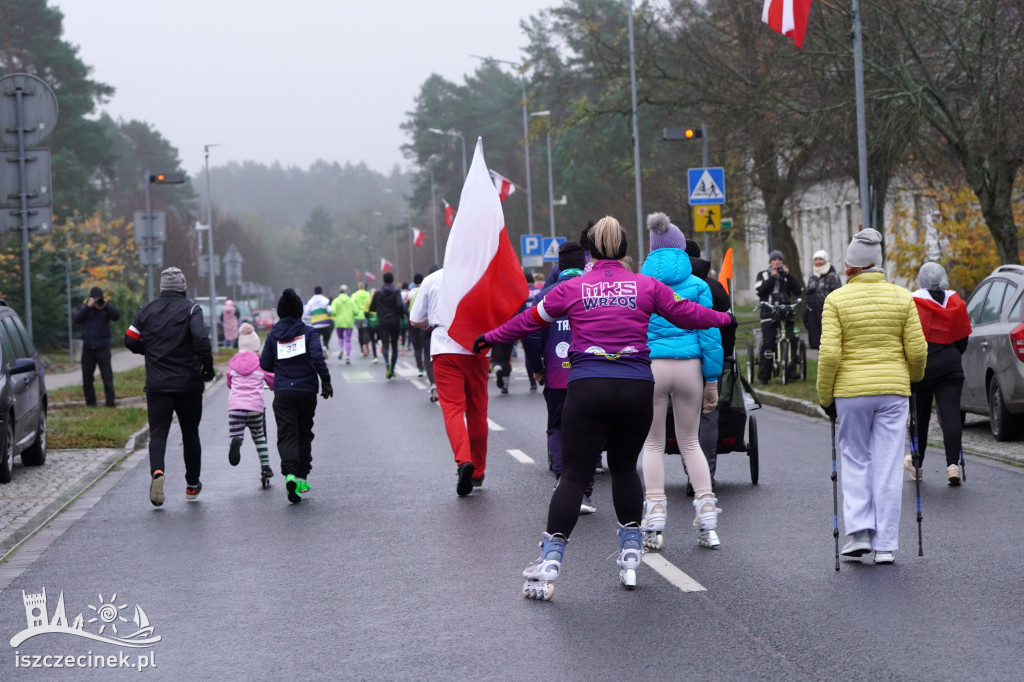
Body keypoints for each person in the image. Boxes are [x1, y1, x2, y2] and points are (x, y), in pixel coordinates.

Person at [474, 216, 731, 599]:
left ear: (591, 251)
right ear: (626, 250)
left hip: (588, 387)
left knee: (575, 476)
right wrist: (725, 317)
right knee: (625, 468)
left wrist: (487, 338)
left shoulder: (572, 288)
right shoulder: (647, 286)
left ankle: (549, 562)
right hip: (636, 388)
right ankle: (630, 551)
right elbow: (689, 315)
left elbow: (527, 322)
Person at [817, 228, 927, 565]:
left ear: (850, 266)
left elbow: (830, 356)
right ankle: (885, 546)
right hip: (893, 392)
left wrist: (825, 396)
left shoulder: (835, 300)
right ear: (878, 263)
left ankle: (859, 533)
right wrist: (908, 378)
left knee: (854, 458)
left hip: (851, 393)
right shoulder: (903, 297)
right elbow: (919, 351)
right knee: (889, 464)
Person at [639, 214, 724, 552]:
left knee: (653, 444)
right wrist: (712, 379)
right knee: (690, 443)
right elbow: (710, 334)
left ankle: (655, 514)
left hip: (652, 367)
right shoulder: (698, 285)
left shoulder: (640, 282)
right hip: (690, 366)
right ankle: (707, 518)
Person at [124, 267, 215, 506]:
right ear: (183, 287)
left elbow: (129, 339)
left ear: (162, 288)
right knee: (190, 433)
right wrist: (207, 368)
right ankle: (192, 485)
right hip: (188, 385)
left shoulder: (146, 309)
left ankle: (157, 472)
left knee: (158, 432)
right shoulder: (192, 308)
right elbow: (201, 339)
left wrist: (148, 350)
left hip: (157, 385)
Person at [521, 242, 598, 513]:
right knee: (589, 432)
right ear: (584, 264)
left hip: (556, 374)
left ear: (559, 266)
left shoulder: (546, 295)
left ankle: (563, 482)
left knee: (557, 428)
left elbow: (530, 331)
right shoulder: (593, 293)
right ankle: (585, 493)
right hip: (591, 373)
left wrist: (537, 367)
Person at [409, 267, 490, 495]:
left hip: (444, 348)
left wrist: (431, 325)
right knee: (478, 411)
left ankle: (463, 460)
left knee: (453, 409)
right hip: (478, 346)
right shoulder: (480, 274)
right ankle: (478, 471)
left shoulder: (431, 279)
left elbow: (415, 320)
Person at [260, 288, 332, 504]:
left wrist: (281, 367)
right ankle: (301, 476)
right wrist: (325, 381)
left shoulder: (273, 335)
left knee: (286, 433)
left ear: (280, 311)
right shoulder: (309, 333)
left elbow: (264, 364)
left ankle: (289, 473)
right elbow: (317, 358)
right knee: (303, 432)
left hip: (283, 392)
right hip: (306, 391)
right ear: (300, 310)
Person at [909, 262, 972, 486]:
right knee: (951, 415)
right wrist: (952, 355)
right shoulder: (956, 303)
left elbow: (909, 339)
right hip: (951, 366)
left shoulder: (913, 303)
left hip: (923, 367)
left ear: (922, 281)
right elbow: (963, 338)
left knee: (920, 416)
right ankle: (952, 465)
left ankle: (917, 464)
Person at [684, 237, 735, 487]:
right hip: (712, 359)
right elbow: (727, 326)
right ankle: (706, 476)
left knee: (684, 418)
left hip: (676, 360)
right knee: (708, 415)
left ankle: (690, 473)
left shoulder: (665, 285)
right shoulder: (714, 288)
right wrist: (726, 355)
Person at [226, 323, 275, 486]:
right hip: (255, 407)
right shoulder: (260, 364)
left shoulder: (232, 364)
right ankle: (266, 466)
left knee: (236, 433)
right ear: (256, 348)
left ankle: (236, 440)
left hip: (235, 407)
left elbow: (229, 382)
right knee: (259, 436)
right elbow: (271, 379)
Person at [754, 250, 803, 384]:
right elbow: (760, 291)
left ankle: (791, 371)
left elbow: (798, 290)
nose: (777, 262)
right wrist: (772, 277)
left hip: (786, 312)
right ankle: (764, 376)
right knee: (768, 343)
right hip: (769, 314)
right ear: (770, 262)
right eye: (774, 260)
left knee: (792, 339)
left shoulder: (786, 276)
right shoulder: (763, 275)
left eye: (779, 260)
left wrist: (788, 275)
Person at [73, 285, 121, 407]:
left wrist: (106, 306)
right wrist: (87, 307)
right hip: (88, 348)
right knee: (87, 379)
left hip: (102, 348)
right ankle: (91, 403)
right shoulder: (84, 309)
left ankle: (110, 403)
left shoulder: (105, 309)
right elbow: (77, 319)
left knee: (107, 377)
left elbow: (116, 316)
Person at [804, 250, 842, 350]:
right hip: (813, 316)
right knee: (818, 346)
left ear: (826, 260)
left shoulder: (833, 276)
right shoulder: (812, 277)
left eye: (821, 259)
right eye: (815, 259)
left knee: (829, 344)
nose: (818, 262)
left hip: (828, 314)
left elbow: (838, 295)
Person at [370, 272, 405, 379]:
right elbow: (400, 305)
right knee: (394, 345)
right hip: (394, 320)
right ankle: (393, 368)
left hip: (383, 320)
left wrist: (380, 310)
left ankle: (387, 365)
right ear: (392, 279)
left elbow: (372, 307)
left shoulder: (378, 292)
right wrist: (401, 316)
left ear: (383, 280)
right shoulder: (396, 291)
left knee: (385, 344)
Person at [330, 285, 357, 363]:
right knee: (348, 340)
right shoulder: (350, 301)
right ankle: (347, 356)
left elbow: (333, 311)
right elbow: (356, 311)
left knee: (340, 338)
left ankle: (341, 348)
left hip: (339, 322)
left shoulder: (336, 301)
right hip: (349, 322)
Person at [303, 285, 334, 351]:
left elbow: (306, 312)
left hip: (315, 324)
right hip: (325, 323)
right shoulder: (326, 300)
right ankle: (325, 346)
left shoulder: (310, 301)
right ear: (321, 291)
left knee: (317, 339)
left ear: (314, 292)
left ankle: (319, 350)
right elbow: (329, 310)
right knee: (326, 337)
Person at [351, 282, 372, 358]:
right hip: (366, 316)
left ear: (357, 287)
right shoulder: (368, 294)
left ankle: (362, 347)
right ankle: (366, 344)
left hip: (357, 316)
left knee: (360, 332)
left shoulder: (354, 295)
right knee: (366, 332)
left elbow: (352, 305)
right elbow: (371, 304)